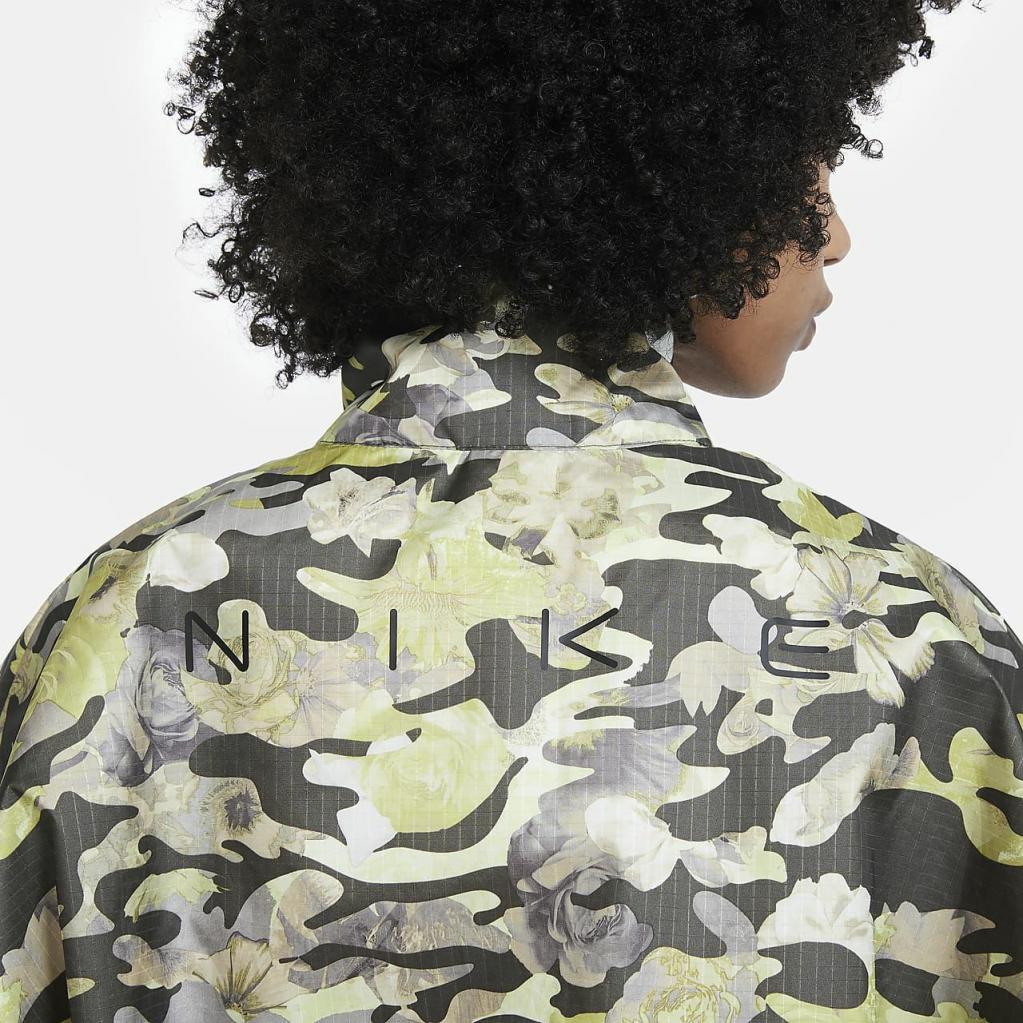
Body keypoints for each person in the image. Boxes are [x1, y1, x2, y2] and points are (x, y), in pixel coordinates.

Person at [2, 1, 1021, 1020]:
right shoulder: (901, 629)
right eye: (809, 170)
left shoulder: (123, 615)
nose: (836, 236)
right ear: (694, 169)